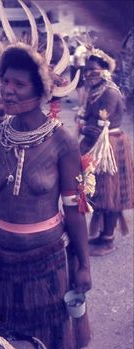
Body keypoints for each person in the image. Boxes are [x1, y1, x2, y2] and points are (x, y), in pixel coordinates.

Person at [0, 1, 92, 349]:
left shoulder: (63, 142)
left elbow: (74, 208)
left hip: (44, 262)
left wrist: (83, 264)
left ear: (41, 90)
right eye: (4, 81)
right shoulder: (1, 134)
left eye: (18, 84)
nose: (7, 90)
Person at [77, 48, 134, 255]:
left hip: (110, 147)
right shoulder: (95, 91)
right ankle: (102, 235)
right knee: (99, 192)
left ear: (105, 70)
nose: (89, 74)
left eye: (93, 70)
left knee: (110, 194)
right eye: (87, 70)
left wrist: (83, 128)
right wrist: (84, 127)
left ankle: (107, 240)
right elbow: (86, 123)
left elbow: (98, 127)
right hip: (98, 145)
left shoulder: (109, 92)